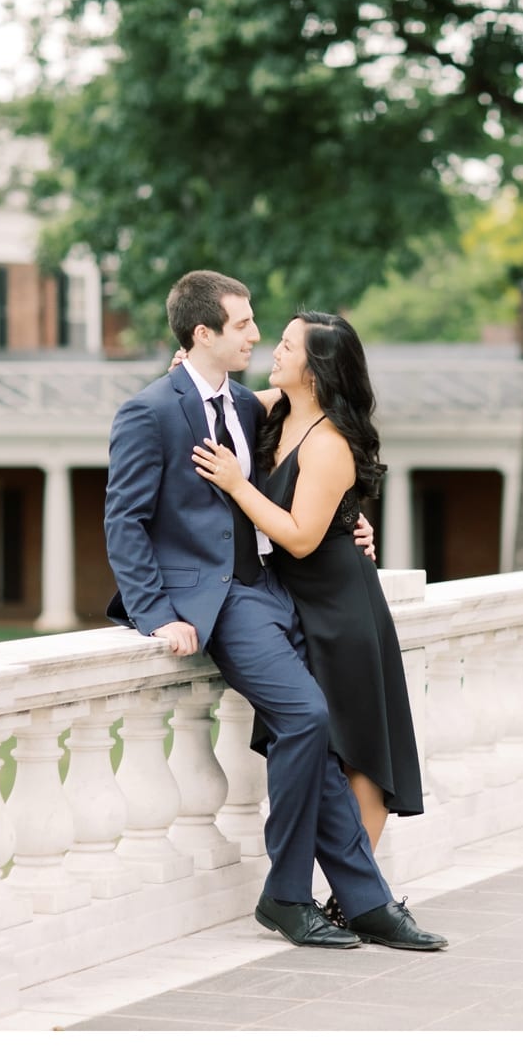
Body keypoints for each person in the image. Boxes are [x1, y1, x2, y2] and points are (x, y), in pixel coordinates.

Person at [103, 269, 445, 952]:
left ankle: (361, 899)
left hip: (277, 589)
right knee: (309, 716)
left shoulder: (254, 407)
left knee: (316, 739)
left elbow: (306, 444)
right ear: (204, 334)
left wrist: (353, 519)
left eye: (267, 329)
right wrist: (155, 613)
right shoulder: (150, 411)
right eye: (244, 326)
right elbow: (124, 521)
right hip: (220, 599)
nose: (258, 337)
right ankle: (291, 894)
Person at [187, 309, 423, 924]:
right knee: (316, 740)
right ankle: (350, 897)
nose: (274, 349)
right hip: (293, 602)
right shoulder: (277, 410)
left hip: (341, 609)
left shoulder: (329, 442)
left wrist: (238, 486)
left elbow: (297, 537)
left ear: (314, 369)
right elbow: (215, 392)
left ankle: (353, 901)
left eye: (288, 345)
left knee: (359, 756)